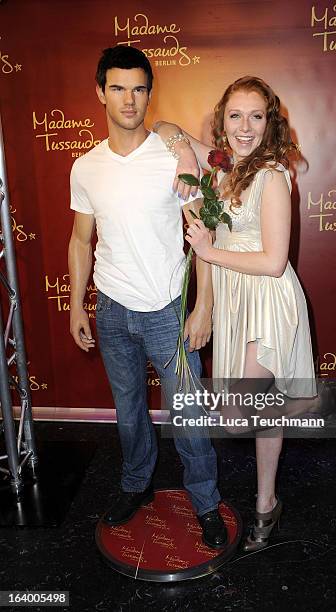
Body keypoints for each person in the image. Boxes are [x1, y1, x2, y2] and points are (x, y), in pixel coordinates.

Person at [67, 46, 227, 549]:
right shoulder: (85, 166)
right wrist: (76, 303)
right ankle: (136, 485)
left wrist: (203, 306)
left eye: (138, 88)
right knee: (130, 409)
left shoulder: (171, 155)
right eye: (118, 87)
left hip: (167, 308)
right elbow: (79, 239)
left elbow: (202, 231)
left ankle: (205, 501)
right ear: (100, 93)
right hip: (112, 307)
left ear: (149, 93)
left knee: (189, 416)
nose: (129, 99)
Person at [154, 76, 317, 551]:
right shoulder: (221, 164)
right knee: (256, 410)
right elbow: (163, 126)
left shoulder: (272, 174)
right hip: (234, 301)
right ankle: (267, 502)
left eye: (257, 116)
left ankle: (291, 420)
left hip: (266, 299)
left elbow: (273, 261)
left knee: (236, 414)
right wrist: (186, 150)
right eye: (236, 115)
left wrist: (207, 250)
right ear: (222, 121)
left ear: (271, 124)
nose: (246, 126)